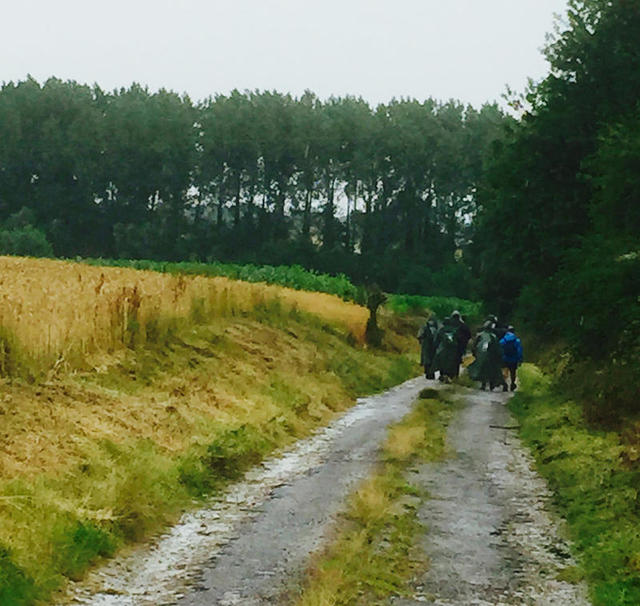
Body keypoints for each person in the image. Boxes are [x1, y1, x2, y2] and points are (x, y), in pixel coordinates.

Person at [468, 321, 505, 391]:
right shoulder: (493, 337)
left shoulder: (479, 335)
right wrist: (499, 356)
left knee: (482, 368)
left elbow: (474, 346)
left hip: (481, 356)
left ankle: (484, 384)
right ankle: (492, 384)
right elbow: (497, 348)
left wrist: (475, 354)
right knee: (493, 369)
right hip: (491, 357)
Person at [431, 317, 459, 383]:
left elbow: (436, 341)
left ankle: (441, 375)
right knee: (452, 363)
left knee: (439, 363)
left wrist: (435, 347)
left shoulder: (441, 330)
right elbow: (457, 340)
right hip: (452, 350)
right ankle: (450, 376)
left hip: (443, 349)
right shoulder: (454, 330)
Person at [500, 325, 523, 391]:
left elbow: (500, 349)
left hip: (504, 358)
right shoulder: (517, 340)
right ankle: (512, 384)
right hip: (513, 359)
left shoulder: (503, 340)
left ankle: (504, 384)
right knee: (513, 372)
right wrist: (520, 359)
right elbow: (519, 350)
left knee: (504, 371)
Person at [450, 310, 471, 377]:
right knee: (457, 360)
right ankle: (455, 375)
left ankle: (449, 374)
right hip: (459, 346)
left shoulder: (449, 324)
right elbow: (468, 335)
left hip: (450, 346)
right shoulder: (463, 325)